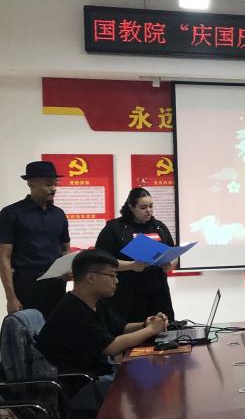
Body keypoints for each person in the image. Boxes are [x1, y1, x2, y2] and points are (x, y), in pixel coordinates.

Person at [36, 249, 167, 403]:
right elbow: (111, 347)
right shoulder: (72, 311)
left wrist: (147, 323)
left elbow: (122, 328)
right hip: (77, 387)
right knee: (147, 384)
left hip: (97, 375)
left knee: (152, 376)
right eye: (112, 275)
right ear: (91, 278)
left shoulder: (95, 303)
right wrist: (151, 330)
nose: (116, 281)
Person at [94, 188, 177, 322]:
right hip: (126, 292)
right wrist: (131, 265)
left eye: (151, 206)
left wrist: (170, 264)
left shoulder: (159, 226)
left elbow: (173, 253)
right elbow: (101, 261)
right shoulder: (115, 228)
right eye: (143, 207)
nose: (148, 210)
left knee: (162, 327)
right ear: (131, 207)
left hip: (158, 292)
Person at [0, 161, 70, 318]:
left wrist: (66, 269)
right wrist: (11, 297)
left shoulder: (58, 214)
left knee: (57, 327)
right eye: (48, 184)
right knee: (29, 329)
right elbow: (4, 257)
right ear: (30, 183)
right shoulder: (11, 213)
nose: (53, 188)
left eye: (55, 184)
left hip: (57, 283)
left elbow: (65, 248)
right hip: (27, 283)